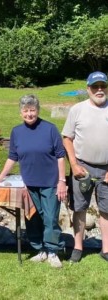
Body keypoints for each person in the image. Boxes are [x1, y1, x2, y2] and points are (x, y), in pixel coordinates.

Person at [0, 94, 66, 268]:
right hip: (28, 183)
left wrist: (62, 181)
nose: (29, 114)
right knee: (32, 217)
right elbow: (13, 157)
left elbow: (61, 156)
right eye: (25, 111)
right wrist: (1, 176)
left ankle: (52, 251)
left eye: (32, 110)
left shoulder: (50, 129)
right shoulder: (16, 132)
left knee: (50, 218)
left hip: (50, 182)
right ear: (20, 113)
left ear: (38, 110)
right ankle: (39, 249)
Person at [62, 71, 108, 263]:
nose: (99, 90)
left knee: (106, 210)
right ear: (88, 89)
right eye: (95, 86)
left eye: (103, 86)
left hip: (107, 169)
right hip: (82, 167)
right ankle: (78, 247)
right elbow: (67, 138)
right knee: (79, 208)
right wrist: (73, 163)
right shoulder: (77, 109)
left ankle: (106, 249)